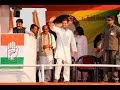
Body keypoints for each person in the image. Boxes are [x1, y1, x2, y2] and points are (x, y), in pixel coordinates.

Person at [49, 16, 77, 82]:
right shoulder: (58, 30)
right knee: (58, 64)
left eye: (65, 23)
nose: (64, 24)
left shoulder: (70, 32)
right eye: (63, 23)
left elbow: (72, 41)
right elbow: (52, 27)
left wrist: (74, 50)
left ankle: (66, 79)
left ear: (67, 24)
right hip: (60, 50)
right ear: (62, 24)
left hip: (67, 51)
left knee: (67, 65)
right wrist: (51, 21)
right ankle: (56, 78)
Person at [100, 15, 120, 82]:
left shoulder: (117, 28)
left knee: (114, 64)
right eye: (107, 20)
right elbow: (102, 39)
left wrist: (119, 50)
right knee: (105, 64)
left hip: (114, 49)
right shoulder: (105, 29)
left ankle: (115, 78)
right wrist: (100, 48)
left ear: (113, 20)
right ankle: (105, 78)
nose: (107, 21)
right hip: (106, 49)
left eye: (109, 20)